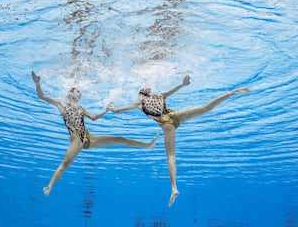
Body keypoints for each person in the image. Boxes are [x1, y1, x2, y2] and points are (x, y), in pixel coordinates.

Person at [108, 75, 249, 207]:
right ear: (149, 92)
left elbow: (118, 111)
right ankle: (231, 93)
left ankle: (174, 188)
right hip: (176, 116)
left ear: (140, 95)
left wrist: (111, 108)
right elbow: (174, 89)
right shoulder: (159, 95)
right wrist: (183, 84)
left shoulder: (139, 104)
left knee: (171, 156)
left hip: (167, 125)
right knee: (206, 108)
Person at [31, 71, 158, 196]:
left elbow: (94, 118)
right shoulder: (61, 103)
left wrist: (106, 110)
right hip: (77, 140)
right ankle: (50, 186)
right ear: (70, 92)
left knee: (120, 139)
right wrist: (37, 83)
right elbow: (42, 96)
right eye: (78, 92)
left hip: (89, 138)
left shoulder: (82, 108)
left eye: (80, 93)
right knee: (65, 163)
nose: (80, 94)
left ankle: (148, 145)